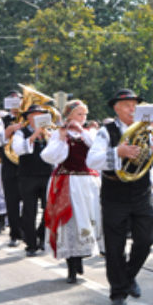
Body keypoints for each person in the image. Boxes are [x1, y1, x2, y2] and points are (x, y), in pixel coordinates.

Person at [86, 89, 153, 305]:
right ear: (116, 108)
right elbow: (92, 160)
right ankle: (117, 292)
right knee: (114, 245)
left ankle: (128, 276)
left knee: (146, 240)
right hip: (114, 193)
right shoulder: (105, 131)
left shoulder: (148, 130)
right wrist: (117, 152)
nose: (132, 109)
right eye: (127, 105)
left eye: (134, 105)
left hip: (141, 192)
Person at [40, 100, 103, 283]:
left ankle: (81, 256)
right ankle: (71, 266)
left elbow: (96, 148)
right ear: (69, 116)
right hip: (67, 182)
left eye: (84, 115)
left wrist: (82, 131)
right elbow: (50, 156)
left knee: (87, 220)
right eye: (78, 115)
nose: (82, 118)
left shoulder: (90, 133)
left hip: (87, 183)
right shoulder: (60, 134)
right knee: (69, 222)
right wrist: (61, 137)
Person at [11, 104, 53, 256]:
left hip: (47, 174)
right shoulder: (20, 133)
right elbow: (18, 149)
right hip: (27, 177)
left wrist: (48, 135)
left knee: (49, 209)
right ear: (28, 117)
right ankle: (31, 243)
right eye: (35, 115)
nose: (38, 118)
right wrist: (35, 135)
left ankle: (41, 236)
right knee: (30, 211)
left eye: (41, 115)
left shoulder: (50, 132)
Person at [0, 90, 24, 247]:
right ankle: (15, 234)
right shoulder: (1, 121)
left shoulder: (29, 118)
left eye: (17, 100)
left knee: (29, 202)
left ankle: (28, 231)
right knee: (11, 201)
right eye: (11, 101)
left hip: (27, 165)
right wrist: (8, 130)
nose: (15, 104)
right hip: (9, 165)